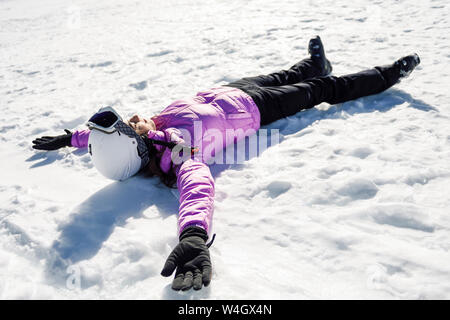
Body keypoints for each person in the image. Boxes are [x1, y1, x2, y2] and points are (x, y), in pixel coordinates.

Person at [31, 36, 420, 291]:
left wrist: (72, 139)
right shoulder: (177, 149)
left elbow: (111, 143)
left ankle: (315, 62)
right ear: (141, 143)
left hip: (230, 90)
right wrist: (194, 236)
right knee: (321, 91)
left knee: (287, 73)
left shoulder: (147, 134)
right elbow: (197, 183)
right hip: (258, 110)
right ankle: (387, 74)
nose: (136, 116)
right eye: (133, 124)